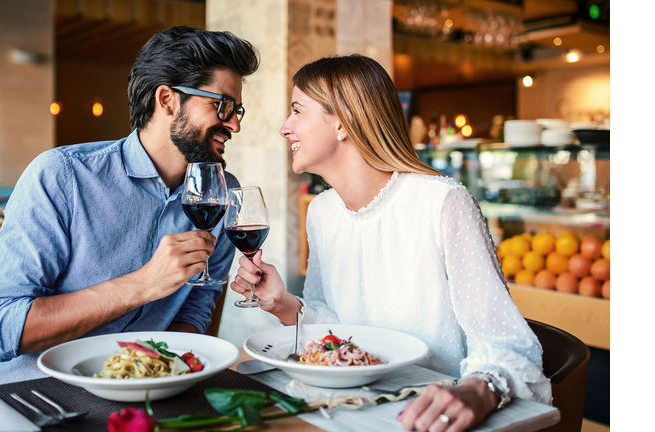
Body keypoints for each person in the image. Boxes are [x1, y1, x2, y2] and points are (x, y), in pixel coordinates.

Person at [230, 54, 551, 432]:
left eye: (297, 110)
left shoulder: (442, 202)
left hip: (431, 417)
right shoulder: (322, 211)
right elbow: (339, 330)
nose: (285, 128)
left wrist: (479, 390)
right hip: (349, 411)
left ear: (342, 122)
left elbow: (508, 345)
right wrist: (286, 305)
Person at [0, 26, 260, 387]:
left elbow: (196, 308)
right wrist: (142, 284)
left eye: (238, 110)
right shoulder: (62, 175)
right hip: (31, 395)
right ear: (167, 100)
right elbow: (0, 328)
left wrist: (165, 376)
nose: (233, 123)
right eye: (222, 106)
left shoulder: (222, 193)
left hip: (145, 396)